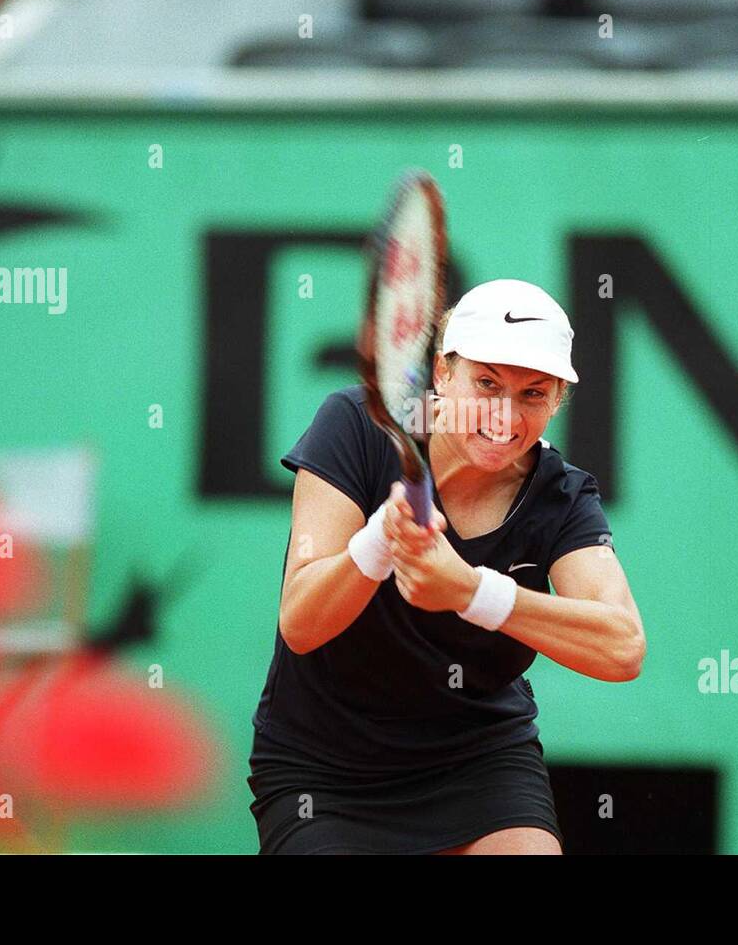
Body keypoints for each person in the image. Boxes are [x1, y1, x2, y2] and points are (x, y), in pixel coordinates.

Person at [247, 278, 645, 855]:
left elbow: (622, 647)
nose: (504, 415)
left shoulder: (561, 497)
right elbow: (302, 623)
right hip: (326, 768)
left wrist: (472, 591)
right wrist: (380, 539)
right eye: (487, 382)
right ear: (441, 372)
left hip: (478, 761)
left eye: (534, 393)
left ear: (557, 400)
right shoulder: (357, 425)